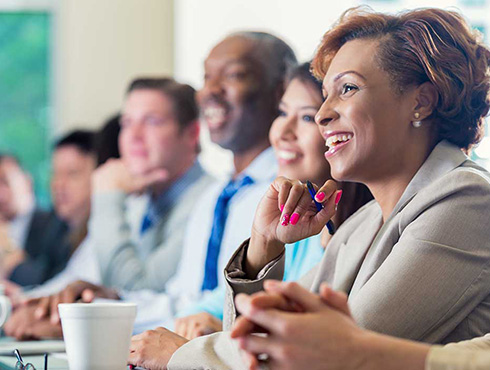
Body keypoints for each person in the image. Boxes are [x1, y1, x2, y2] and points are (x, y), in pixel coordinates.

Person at [126, 7, 490, 370]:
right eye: (326, 94)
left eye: (347, 88)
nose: (322, 114)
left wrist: (180, 356)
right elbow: (258, 341)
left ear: (421, 102)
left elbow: (329, 352)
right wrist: (263, 244)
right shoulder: (364, 223)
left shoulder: (465, 201)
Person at [173, 63, 372, 340]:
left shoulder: (368, 233)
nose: (282, 132)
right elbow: (214, 304)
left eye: (306, 117)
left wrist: (222, 331)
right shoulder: (301, 228)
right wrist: (199, 321)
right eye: (282, 113)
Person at [4, 77, 212, 338]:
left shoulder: (208, 200)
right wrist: (23, 301)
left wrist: (107, 196)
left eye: (152, 121)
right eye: (127, 123)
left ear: (192, 133)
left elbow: (135, 285)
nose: (133, 136)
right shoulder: (139, 200)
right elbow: (77, 278)